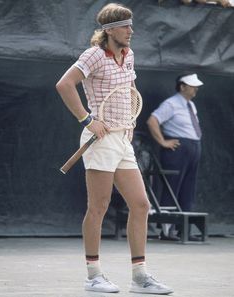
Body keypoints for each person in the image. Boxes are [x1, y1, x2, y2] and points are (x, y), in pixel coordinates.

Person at [56, 3, 173, 295]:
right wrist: (87, 119)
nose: (131, 31)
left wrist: (129, 124)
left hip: (122, 139)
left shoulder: (129, 55)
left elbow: (129, 89)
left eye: (131, 25)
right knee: (98, 207)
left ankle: (140, 277)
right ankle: (94, 275)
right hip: (100, 139)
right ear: (109, 30)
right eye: (125, 26)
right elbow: (64, 84)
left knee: (141, 204)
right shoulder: (93, 55)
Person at [147, 73, 203, 241]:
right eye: (192, 86)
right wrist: (163, 142)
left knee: (188, 189)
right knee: (172, 188)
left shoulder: (191, 105)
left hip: (193, 148)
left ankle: (182, 230)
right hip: (177, 150)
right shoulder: (171, 104)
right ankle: (166, 231)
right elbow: (152, 121)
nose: (196, 89)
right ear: (182, 86)